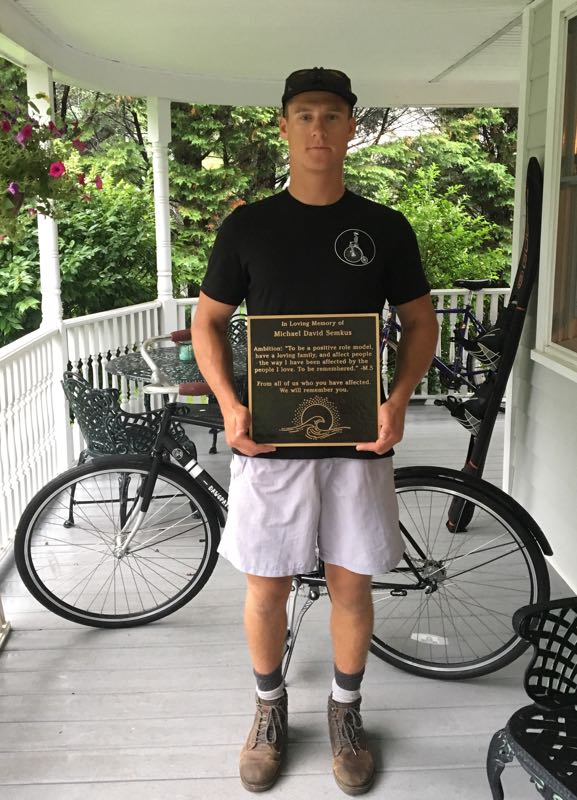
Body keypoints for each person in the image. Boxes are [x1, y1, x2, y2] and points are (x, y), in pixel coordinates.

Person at [191, 67, 439, 795]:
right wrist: (230, 408)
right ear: (283, 126)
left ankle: (345, 712)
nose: (318, 129)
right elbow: (208, 319)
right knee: (265, 587)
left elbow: (418, 321)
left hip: (359, 446)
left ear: (350, 127)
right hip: (268, 442)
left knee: (349, 587)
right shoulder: (248, 226)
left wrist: (398, 398)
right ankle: (269, 711)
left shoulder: (385, 227)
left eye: (331, 116)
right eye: (304, 115)